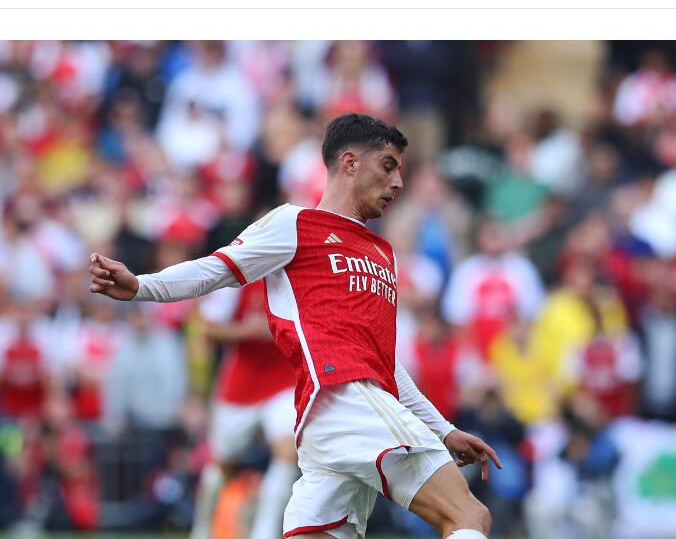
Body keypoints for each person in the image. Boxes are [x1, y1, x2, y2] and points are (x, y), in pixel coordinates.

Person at [89, 113, 502, 539]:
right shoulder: (296, 223)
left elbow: (386, 366)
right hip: (345, 399)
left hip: (329, 423)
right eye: (388, 165)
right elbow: (216, 269)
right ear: (350, 163)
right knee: (469, 516)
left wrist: (444, 429)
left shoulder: (384, 253)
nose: (398, 182)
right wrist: (141, 286)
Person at [190, 280, 297, 539]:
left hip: (285, 381)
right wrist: (249, 331)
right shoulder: (239, 279)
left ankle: (264, 533)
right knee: (223, 463)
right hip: (241, 387)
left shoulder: (298, 276)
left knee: (287, 453)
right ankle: (202, 529)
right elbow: (207, 329)